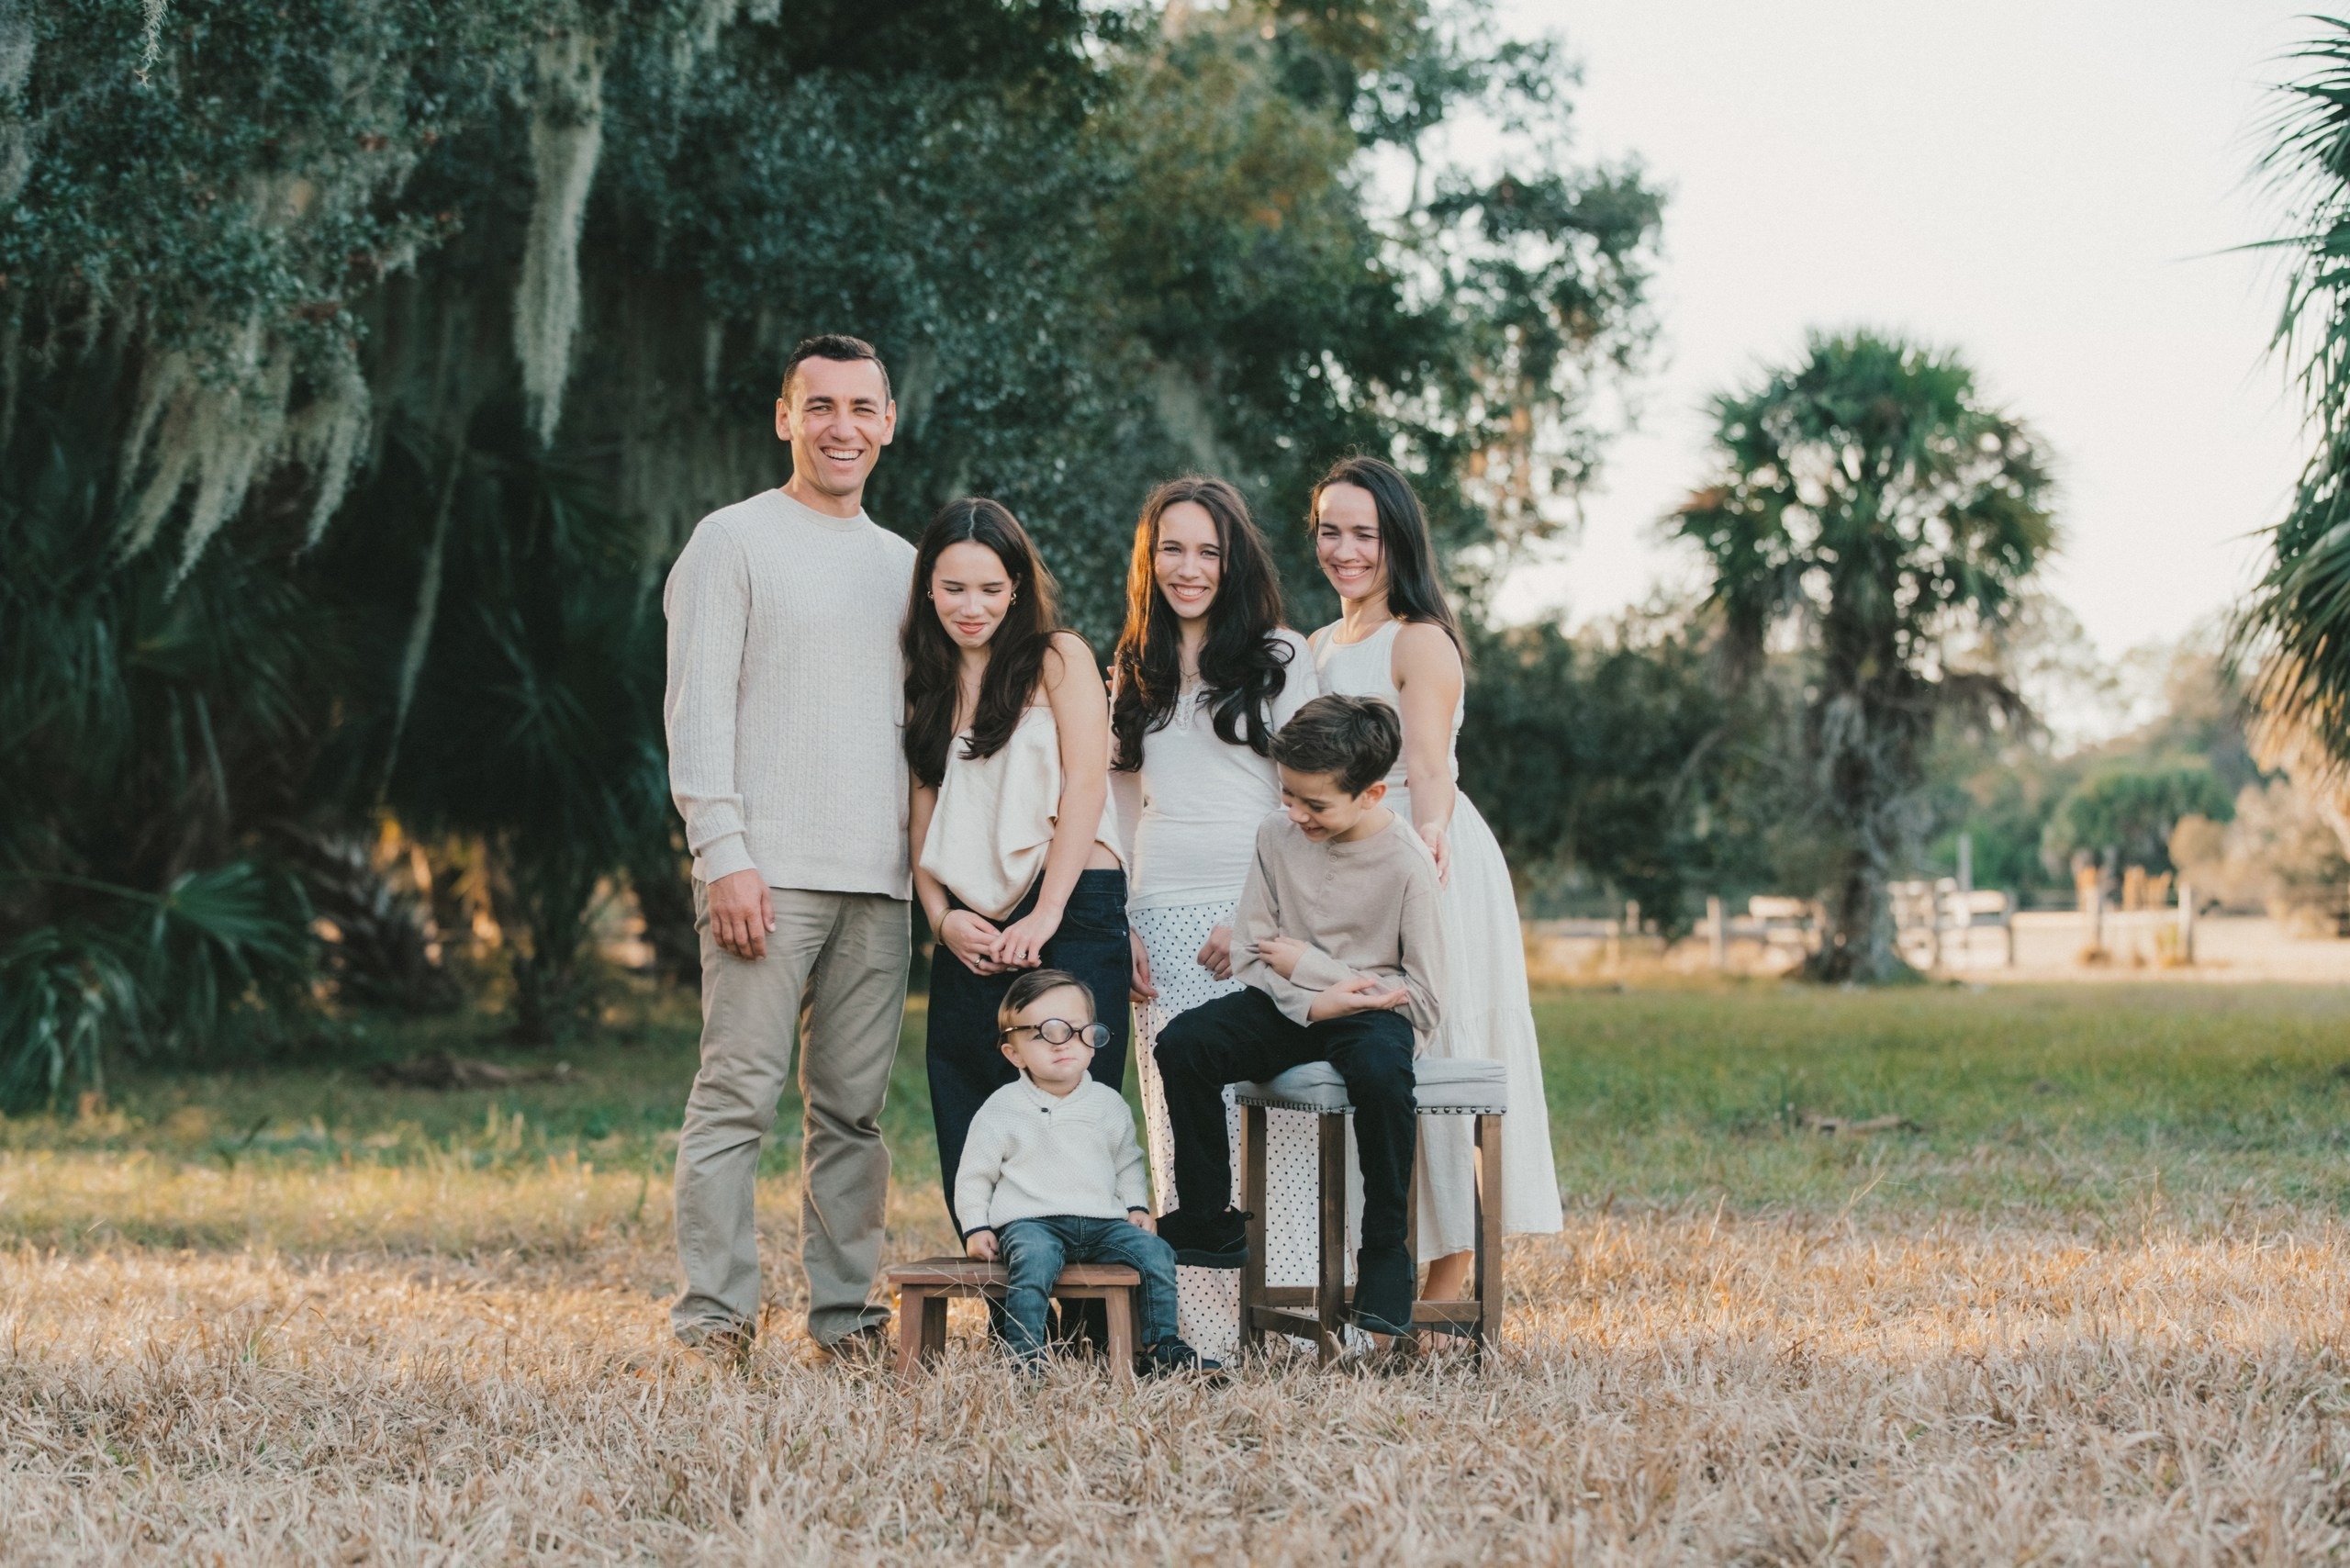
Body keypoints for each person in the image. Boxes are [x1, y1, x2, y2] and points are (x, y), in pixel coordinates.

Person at [663, 334, 915, 1363]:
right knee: (735, 1101)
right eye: (820, 407)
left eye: (861, 408)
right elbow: (696, 710)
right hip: (764, 874)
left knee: (853, 1116)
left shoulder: (908, 565)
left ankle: (846, 1319)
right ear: (784, 418)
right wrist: (724, 850)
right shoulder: (731, 541)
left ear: (888, 423)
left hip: (883, 883)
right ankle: (713, 1321)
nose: (841, 427)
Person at [1304, 454, 1564, 1304]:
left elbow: (1428, 767)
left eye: (1365, 535)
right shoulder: (1315, 645)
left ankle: (1447, 1281)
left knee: (1441, 1049)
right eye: (1330, 531)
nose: (1346, 551)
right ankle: (1377, 1263)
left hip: (1427, 858)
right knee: (1370, 1058)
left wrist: (1426, 843)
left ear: (1397, 541)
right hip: (1344, 861)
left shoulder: (1418, 638)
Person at [1152, 695, 1449, 1340]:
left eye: (1315, 805)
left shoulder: (1406, 865)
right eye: (1288, 795)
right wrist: (1313, 1001)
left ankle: (1385, 1253)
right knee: (1185, 1043)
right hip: (1288, 1003)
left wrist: (1317, 971)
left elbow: (1422, 999)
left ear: (1372, 794)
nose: (1296, 814)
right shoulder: (1274, 836)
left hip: (1369, 1014)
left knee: (1381, 1073)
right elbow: (1254, 954)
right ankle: (1207, 1216)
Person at [1106, 476, 1320, 1362]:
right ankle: (1202, 1334)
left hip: (1257, 916)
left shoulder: (1280, 654)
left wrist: (1259, 917)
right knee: (1178, 1123)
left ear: (1234, 562)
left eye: (1207, 551)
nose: (1188, 569)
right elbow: (1118, 808)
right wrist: (1117, 922)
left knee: (1281, 1116)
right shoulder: (1131, 665)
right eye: (1172, 550)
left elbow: (1308, 802)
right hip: (1158, 915)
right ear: (1148, 562)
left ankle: (1296, 1327)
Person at [903, 498, 1130, 1244]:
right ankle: (1010, 1300)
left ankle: (1097, 1315)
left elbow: (1087, 785)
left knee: (1076, 1096)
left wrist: (1046, 914)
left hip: (1071, 898)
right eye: (955, 588)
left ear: (1018, 588)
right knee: (969, 1095)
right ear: (927, 588)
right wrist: (940, 917)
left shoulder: (1056, 657)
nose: (973, 607)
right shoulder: (924, 679)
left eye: (992, 589)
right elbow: (923, 809)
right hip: (973, 915)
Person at [957, 969, 1218, 1374]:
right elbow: (975, 1175)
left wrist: (1135, 1205)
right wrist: (976, 1228)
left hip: (1102, 1223)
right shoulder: (1002, 1108)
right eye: (1045, 1032)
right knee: (1033, 1262)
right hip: (1031, 1223)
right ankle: (1025, 1356)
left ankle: (1162, 1343)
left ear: (1094, 1041)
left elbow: (1127, 1161)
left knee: (1155, 1252)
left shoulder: (1107, 1104)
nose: (1065, 1044)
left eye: (1079, 1031)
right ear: (1014, 1053)